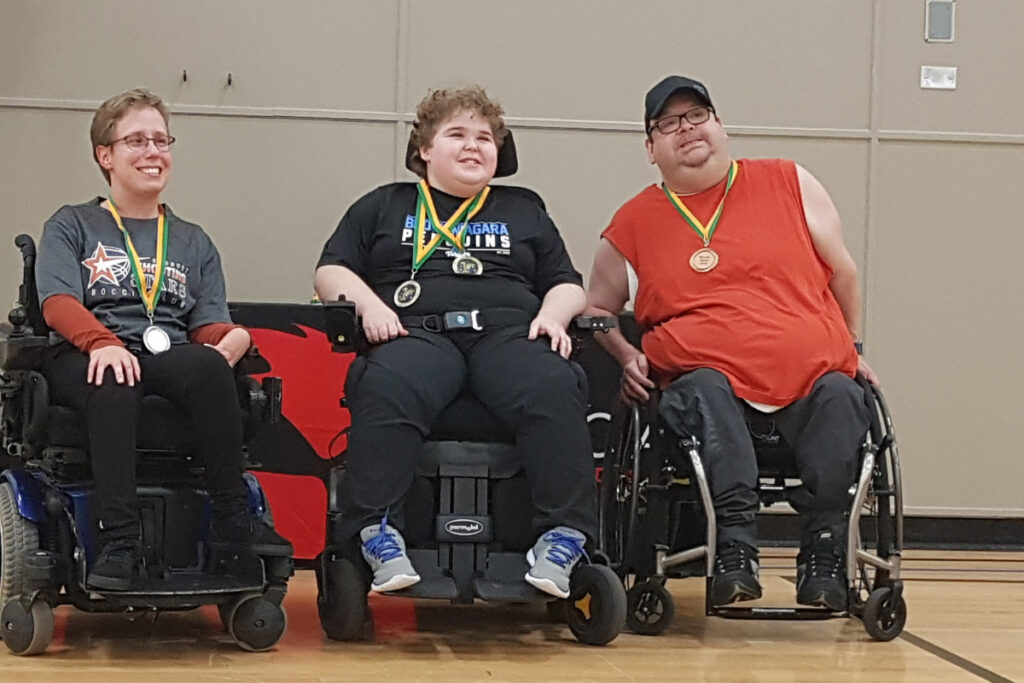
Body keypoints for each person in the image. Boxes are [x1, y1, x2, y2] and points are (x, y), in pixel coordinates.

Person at [586, 75, 877, 611]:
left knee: (842, 395)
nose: (686, 129)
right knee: (704, 390)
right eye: (668, 123)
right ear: (651, 149)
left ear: (720, 126)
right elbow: (597, 311)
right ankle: (734, 550)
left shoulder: (789, 181)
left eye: (697, 115)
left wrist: (852, 350)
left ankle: (825, 553)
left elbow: (844, 273)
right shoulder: (632, 222)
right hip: (704, 385)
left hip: (811, 377)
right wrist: (627, 356)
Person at [314, 86, 597, 599]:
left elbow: (567, 283)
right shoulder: (385, 204)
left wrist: (553, 316)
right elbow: (331, 270)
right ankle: (377, 532)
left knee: (555, 384)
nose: (473, 146)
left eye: (484, 138)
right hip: (417, 331)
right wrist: (370, 306)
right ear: (425, 148)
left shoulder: (524, 209)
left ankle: (563, 537)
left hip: (508, 334)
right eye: (457, 135)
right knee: (387, 382)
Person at [35, 88, 292, 591]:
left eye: (161, 140)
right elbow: (58, 302)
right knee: (115, 377)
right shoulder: (72, 224)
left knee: (210, 366)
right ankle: (119, 541)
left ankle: (232, 521)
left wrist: (235, 336)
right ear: (105, 155)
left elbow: (207, 323)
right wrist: (102, 342)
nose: (153, 152)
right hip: (89, 353)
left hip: (165, 351)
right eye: (136, 141)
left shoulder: (193, 240)